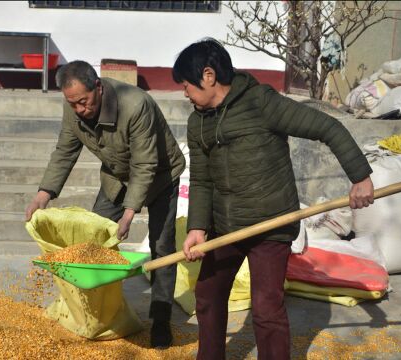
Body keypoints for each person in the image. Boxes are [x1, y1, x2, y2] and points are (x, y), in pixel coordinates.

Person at [173, 39, 375, 359]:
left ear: (208, 76)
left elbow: (328, 127)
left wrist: (360, 177)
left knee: (267, 309)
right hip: (228, 225)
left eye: (186, 85)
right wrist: (198, 227)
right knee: (208, 296)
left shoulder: (261, 103)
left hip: (271, 225)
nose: (185, 93)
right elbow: (201, 178)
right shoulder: (198, 121)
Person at [25, 60, 186, 349]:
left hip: (161, 176)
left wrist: (129, 213)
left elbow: (145, 163)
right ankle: (98, 315)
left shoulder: (136, 105)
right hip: (116, 176)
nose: (79, 109)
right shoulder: (73, 104)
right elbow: (65, 149)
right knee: (93, 242)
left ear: (98, 87)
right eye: (72, 103)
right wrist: (44, 192)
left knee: (162, 246)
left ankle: (161, 320)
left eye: (84, 102)